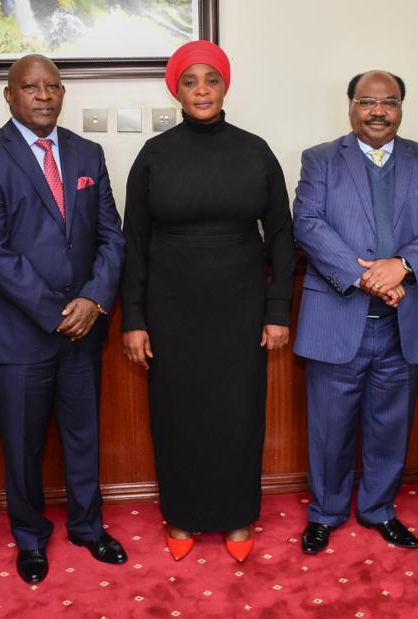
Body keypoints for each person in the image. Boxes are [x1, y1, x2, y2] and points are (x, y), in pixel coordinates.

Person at [120, 40, 295, 563]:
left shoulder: (255, 150)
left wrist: (277, 309)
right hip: (171, 312)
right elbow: (133, 242)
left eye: (211, 80)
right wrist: (133, 318)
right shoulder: (154, 155)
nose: (202, 90)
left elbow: (282, 235)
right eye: (190, 81)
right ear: (176, 88)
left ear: (225, 86)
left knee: (238, 414)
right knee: (177, 415)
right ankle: (183, 515)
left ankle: (238, 516)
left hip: (240, 309)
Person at [0, 54, 127, 584]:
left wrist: (94, 300)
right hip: (18, 334)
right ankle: (30, 537)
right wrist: (57, 311)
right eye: (30, 87)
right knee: (22, 444)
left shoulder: (87, 152)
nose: (43, 96)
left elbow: (111, 236)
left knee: (83, 436)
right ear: (9, 96)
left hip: (84, 328)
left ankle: (87, 525)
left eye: (52, 86)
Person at [293, 70, 418, 554]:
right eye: (367, 101)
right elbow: (307, 222)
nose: (378, 111)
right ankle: (324, 513)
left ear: (401, 108)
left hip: (401, 325)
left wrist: (403, 267)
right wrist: (368, 275)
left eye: (389, 102)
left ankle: (378, 510)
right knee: (330, 429)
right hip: (338, 319)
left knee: (391, 426)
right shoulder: (321, 159)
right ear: (351, 106)